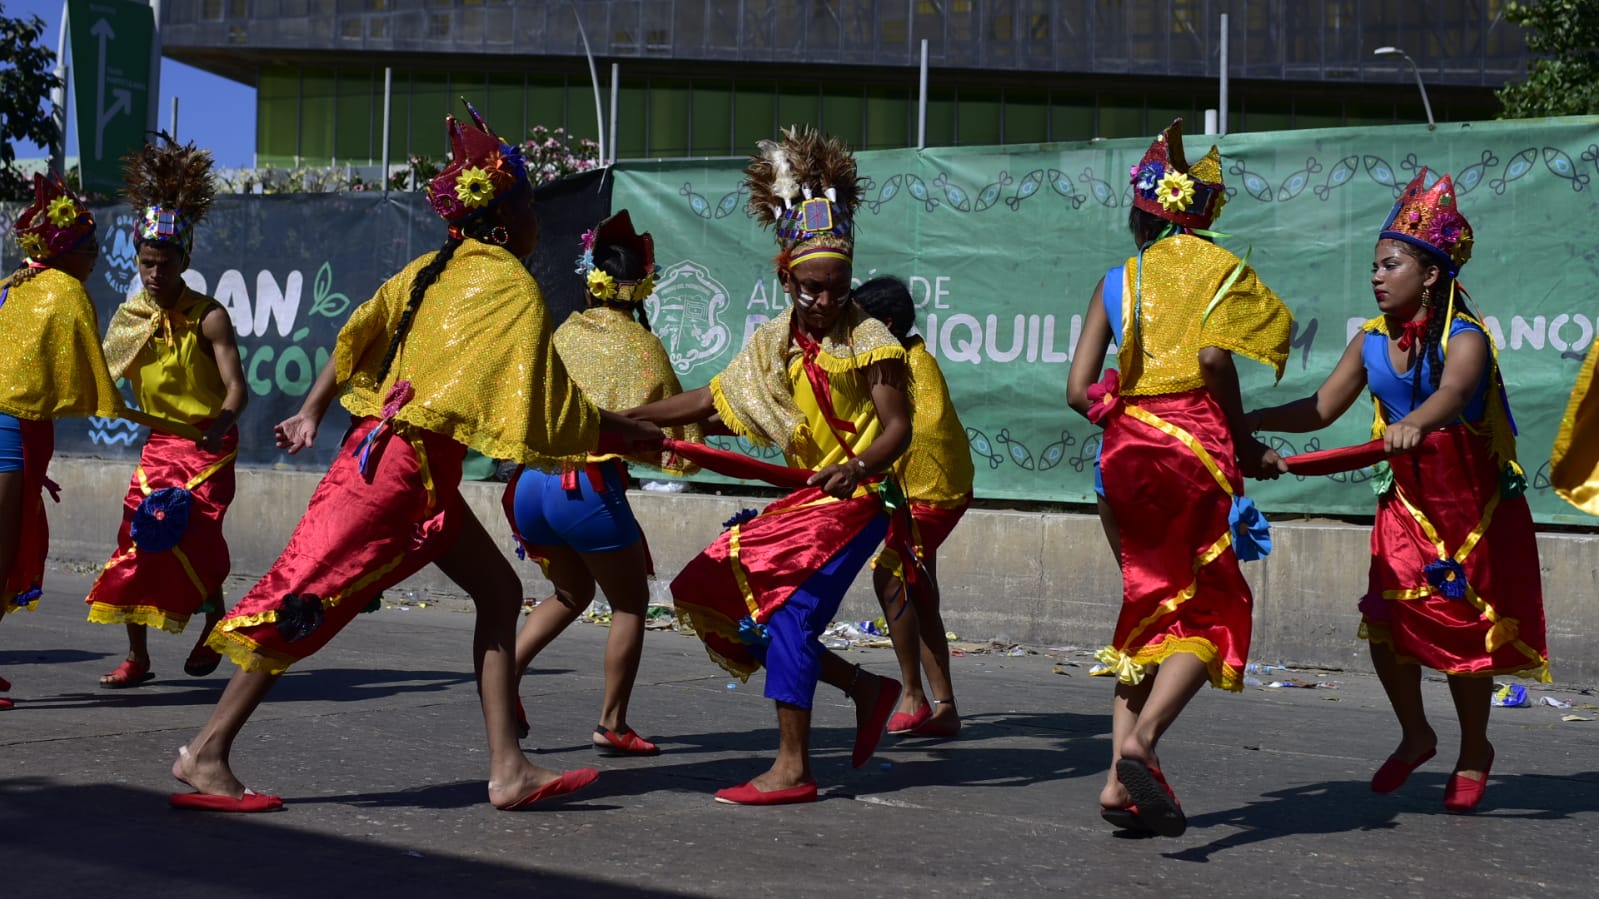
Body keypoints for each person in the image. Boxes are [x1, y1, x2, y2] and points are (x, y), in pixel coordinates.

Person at [167, 102, 661, 813]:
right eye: (527, 207)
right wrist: (623, 431)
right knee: (302, 600)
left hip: (411, 469)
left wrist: (312, 409)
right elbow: (553, 408)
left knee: (496, 593)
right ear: (500, 222)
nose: (537, 222)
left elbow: (354, 334)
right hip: (395, 474)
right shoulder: (504, 283)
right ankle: (207, 752)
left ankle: (507, 768)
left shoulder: (428, 269)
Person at [624, 127, 911, 805]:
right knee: (703, 590)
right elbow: (714, 400)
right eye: (810, 286)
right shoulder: (772, 342)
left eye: (836, 285)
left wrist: (857, 467)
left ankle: (793, 766)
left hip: (860, 500)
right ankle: (863, 688)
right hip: (807, 500)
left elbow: (896, 428)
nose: (823, 299)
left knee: (791, 613)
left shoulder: (869, 339)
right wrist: (638, 419)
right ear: (785, 275)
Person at [1248, 169, 1548, 814]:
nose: (1378, 277)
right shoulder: (1371, 340)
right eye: (1375, 267)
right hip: (1406, 509)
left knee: (1465, 634)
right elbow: (1324, 407)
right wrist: (1252, 420)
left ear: (1430, 274)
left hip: (1472, 513)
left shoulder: (1464, 337)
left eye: (1391, 266)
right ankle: (1416, 734)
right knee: (1386, 624)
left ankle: (1475, 751)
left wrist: (1416, 421)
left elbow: (1454, 394)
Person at [1065, 119, 1292, 836]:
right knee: (1213, 610)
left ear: (1142, 212)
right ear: (1202, 213)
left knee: (1147, 605)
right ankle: (1142, 743)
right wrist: (1241, 440)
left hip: (1123, 459)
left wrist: (1121, 406)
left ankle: (1113, 784)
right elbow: (1215, 364)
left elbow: (1078, 390)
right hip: (1191, 454)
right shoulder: (1221, 270)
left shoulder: (1117, 279)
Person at [505, 209, 701, 754]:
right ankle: (612, 724)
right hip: (584, 488)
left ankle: (502, 681)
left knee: (571, 593)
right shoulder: (643, 347)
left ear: (590, 282)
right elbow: (674, 424)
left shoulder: (563, 332)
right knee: (631, 605)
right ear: (641, 288)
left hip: (530, 487)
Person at [86, 137, 248, 687]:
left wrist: (220, 426)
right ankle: (139, 657)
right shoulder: (131, 316)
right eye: (147, 262)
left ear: (186, 259)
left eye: (166, 262)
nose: (154, 273)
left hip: (206, 446)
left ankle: (211, 624)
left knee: (193, 535)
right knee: (138, 538)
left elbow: (236, 391)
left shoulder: (209, 316)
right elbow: (100, 376)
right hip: (158, 448)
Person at [0, 172, 124, 711]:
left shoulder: (10, 285)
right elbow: (97, 375)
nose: (96, 259)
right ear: (70, 251)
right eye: (91, 248)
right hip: (13, 435)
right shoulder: (68, 290)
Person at [851, 275, 973, 738]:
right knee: (919, 592)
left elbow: (924, 435)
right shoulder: (903, 357)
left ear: (883, 324)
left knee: (890, 578)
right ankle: (944, 707)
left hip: (929, 496)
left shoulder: (903, 364)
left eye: (858, 321)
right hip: (919, 494)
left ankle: (913, 695)